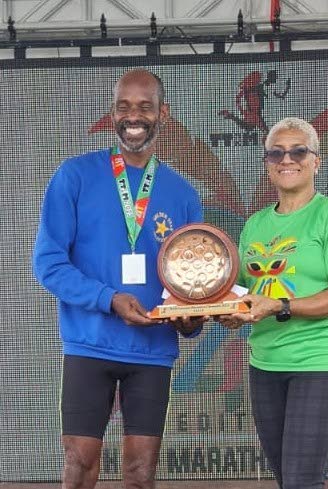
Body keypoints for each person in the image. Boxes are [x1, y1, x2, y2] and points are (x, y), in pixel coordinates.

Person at [33, 69, 204, 489]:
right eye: (123, 106)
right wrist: (109, 299)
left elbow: (196, 278)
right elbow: (48, 263)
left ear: (163, 113)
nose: (134, 116)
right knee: (79, 464)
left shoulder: (183, 193)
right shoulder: (74, 176)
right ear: (112, 113)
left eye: (145, 106)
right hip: (89, 343)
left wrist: (190, 317)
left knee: (140, 472)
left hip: (151, 352)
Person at [219, 117, 328, 489]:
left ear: (315, 161)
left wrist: (278, 306)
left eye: (298, 150)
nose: (287, 159)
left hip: (321, 362)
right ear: (267, 163)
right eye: (276, 152)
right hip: (265, 364)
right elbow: (241, 292)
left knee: (302, 482)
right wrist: (216, 309)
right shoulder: (254, 225)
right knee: (288, 479)